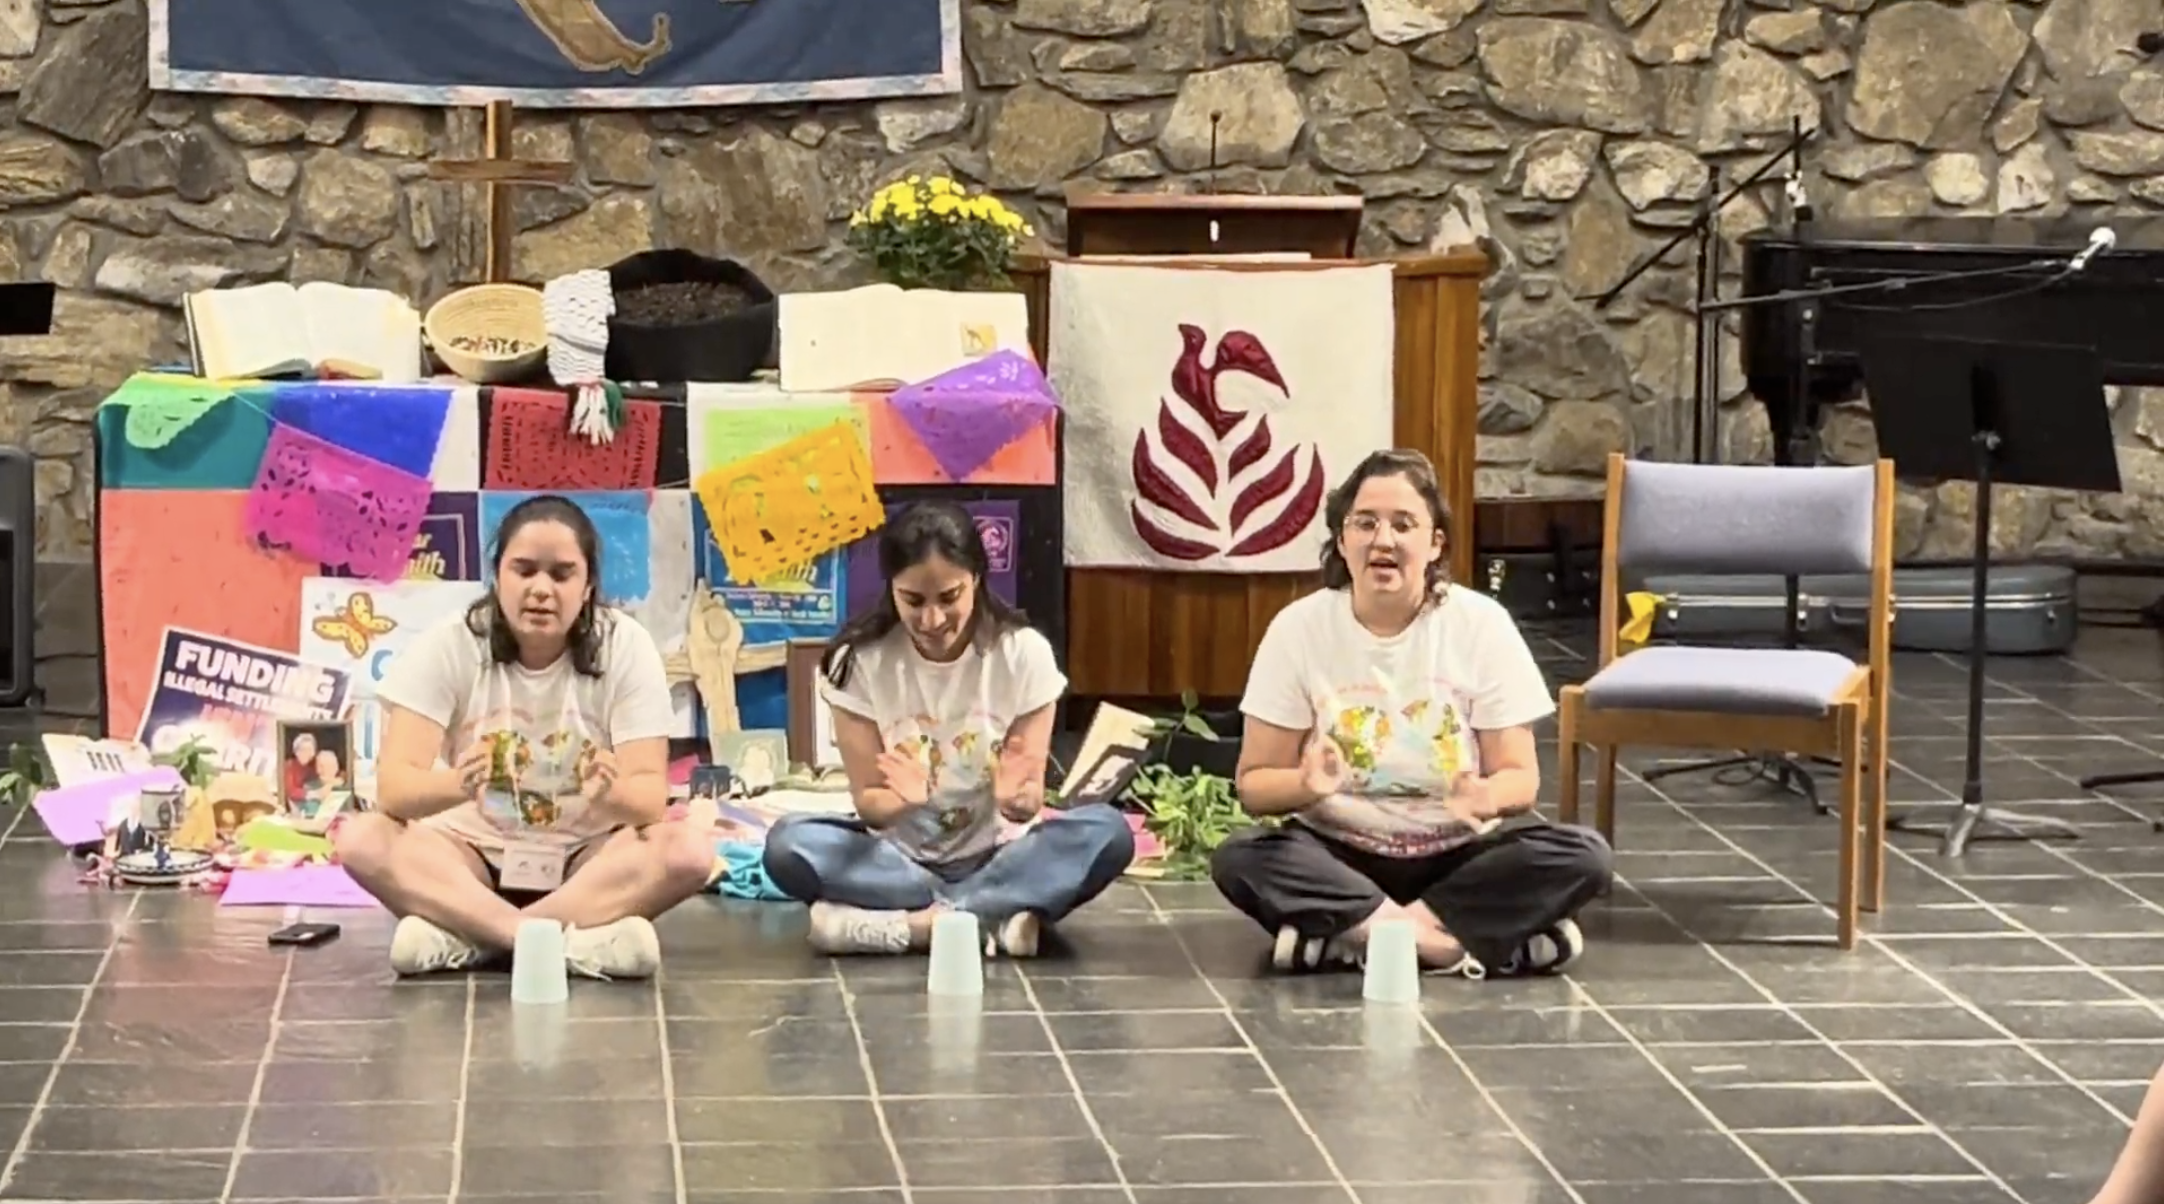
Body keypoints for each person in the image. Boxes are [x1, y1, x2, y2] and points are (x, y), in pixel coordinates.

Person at [1210, 448, 1613, 979]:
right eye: (1365, 523)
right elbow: (1255, 786)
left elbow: (1520, 780)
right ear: (1342, 540)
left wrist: (1486, 796)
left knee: (1583, 855)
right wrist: (1306, 784)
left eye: (1403, 525)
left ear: (1435, 543)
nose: (1384, 540)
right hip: (1341, 854)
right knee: (1241, 857)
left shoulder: (1481, 624)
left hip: (1455, 855)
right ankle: (1451, 945)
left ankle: (1354, 939)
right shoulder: (1298, 629)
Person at [333, 494, 716, 979]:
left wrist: (610, 793)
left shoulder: (625, 645)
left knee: (688, 852)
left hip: (586, 864)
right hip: (465, 859)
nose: (541, 589)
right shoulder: (449, 643)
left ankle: (475, 939)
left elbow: (649, 800)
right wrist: (458, 784)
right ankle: (553, 943)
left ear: (588, 586)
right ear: (497, 577)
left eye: (561, 574)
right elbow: (394, 791)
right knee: (361, 839)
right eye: (524, 570)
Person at [761, 501, 1135, 957]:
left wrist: (1016, 802)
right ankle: (989, 918)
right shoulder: (858, 662)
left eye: (949, 597)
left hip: (999, 857)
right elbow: (870, 805)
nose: (932, 620)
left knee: (1108, 832)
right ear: (891, 588)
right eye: (913, 601)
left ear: (976, 578)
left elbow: (1029, 800)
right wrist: (901, 800)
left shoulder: (1024, 654)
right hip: (897, 863)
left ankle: (911, 927)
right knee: (788, 845)